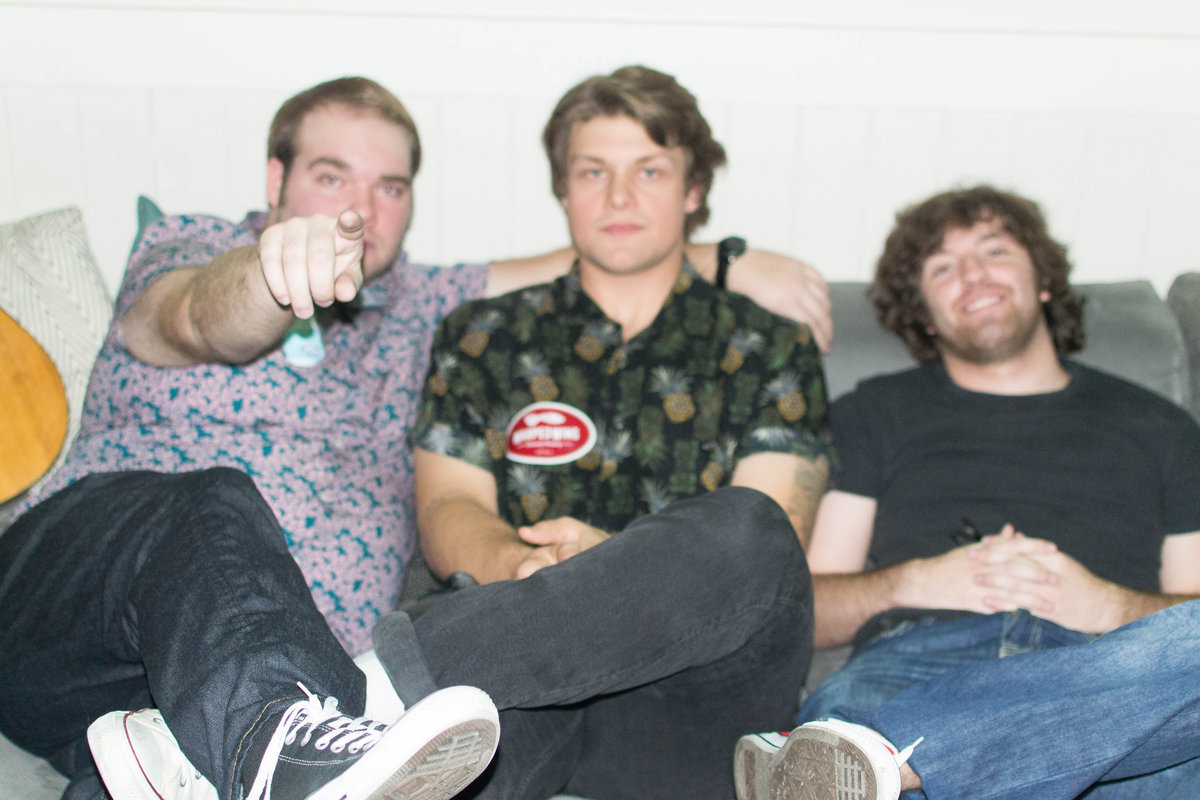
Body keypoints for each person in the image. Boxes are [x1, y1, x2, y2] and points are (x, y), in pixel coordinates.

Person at [0, 75, 833, 800]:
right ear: (276, 178)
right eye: (332, 177)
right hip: (86, 615)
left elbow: (597, 254)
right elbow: (199, 319)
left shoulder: (420, 304)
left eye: (389, 187)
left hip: (265, 710)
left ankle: (268, 743)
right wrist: (271, 270)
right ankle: (315, 716)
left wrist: (716, 259)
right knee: (213, 500)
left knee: (486, 732)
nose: (358, 210)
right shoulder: (196, 244)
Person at [358, 64, 834, 799]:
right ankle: (363, 734)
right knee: (470, 728)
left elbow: (773, 547)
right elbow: (447, 507)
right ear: (563, 189)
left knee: (752, 525)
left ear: (694, 192)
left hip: (698, 703)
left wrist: (599, 576)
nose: (619, 197)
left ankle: (369, 690)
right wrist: (521, 565)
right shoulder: (482, 335)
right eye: (593, 172)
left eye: (650, 171)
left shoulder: (773, 345)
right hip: (518, 685)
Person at [734, 185, 1200, 800]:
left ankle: (891, 764)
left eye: (995, 251)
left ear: (1044, 280)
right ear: (923, 314)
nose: (974, 275)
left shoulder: (1162, 426)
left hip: (1106, 678)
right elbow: (805, 608)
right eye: (943, 268)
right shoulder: (873, 412)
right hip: (917, 666)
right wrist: (915, 582)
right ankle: (893, 760)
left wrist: (1107, 605)